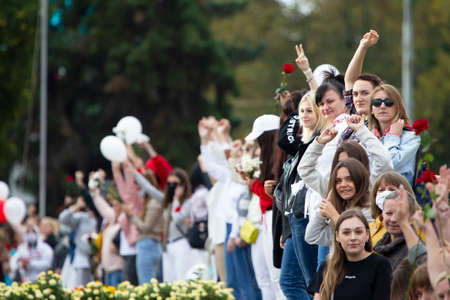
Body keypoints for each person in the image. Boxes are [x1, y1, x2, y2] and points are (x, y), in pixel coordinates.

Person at [275, 91, 327, 300]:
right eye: (301, 111)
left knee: (309, 283)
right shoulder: (302, 143)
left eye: (309, 111)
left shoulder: (318, 142)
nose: (304, 115)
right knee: (292, 281)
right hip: (294, 218)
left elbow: (282, 139)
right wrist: (285, 229)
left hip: (309, 216)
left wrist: (307, 76)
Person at [307, 208, 392, 300]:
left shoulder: (380, 265)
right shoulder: (327, 266)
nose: (353, 237)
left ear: (367, 234)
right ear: (337, 236)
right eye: (346, 233)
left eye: (358, 232)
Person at [305, 158, 373, 247]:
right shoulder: (342, 210)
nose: (343, 185)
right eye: (338, 181)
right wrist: (323, 211)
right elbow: (312, 236)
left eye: (349, 179)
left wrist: (334, 215)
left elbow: (364, 240)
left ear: (359, 180)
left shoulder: (370, 210)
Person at [368, 84, 420, 186]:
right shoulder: (367, 138)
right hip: (372, 198)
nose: (382, 106)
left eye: (389, 102)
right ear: (371, 110)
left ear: (398, 107)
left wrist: (393, 137)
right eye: (377, 102)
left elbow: (389, 166)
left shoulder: (411, 137)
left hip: (400, 197)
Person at [373, 185, 426, 271]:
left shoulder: (416, 252)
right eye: (389, 213)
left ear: (412, 216)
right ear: (382, 214)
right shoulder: (378, 247)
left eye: (400, 214)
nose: (393, 219)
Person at [59, 195, 96, 288]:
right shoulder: (81, 217)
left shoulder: (99, 218)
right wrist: (77, 206)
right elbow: (63, 218)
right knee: (78, 288)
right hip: (80, 258)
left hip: (97, 261)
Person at [90, 185, 124, 287]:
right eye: (113, 206)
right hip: (107, 268)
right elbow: (103, 207)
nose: (114, 208)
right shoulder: (113, 219)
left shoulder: (124, 220)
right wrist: (95, 192)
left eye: (116, 205)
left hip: (118, 267)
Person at [344, 29, 382, 117]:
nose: (358, 99)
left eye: (365, 93)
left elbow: (350, 80)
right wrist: (362, 46)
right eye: (355, 94)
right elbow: (349, 80)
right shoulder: (355, 117)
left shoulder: (385, 124)